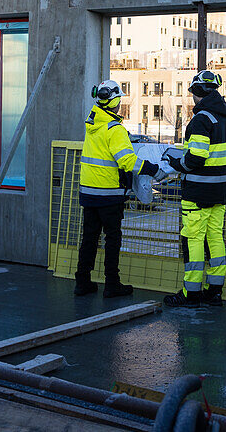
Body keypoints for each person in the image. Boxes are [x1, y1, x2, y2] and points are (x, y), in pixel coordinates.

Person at [76, 79, 163, 297]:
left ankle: (82, 282)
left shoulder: (93, 124)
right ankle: (112, 284)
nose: (119, 104)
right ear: (114, 102)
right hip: (109, 194)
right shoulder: (115, 129)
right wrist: (154, 170)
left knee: (89, 237)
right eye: (118, 100)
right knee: (112, 238)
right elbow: (127, 162)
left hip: (89, 191)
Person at [164, 70, 226, 307]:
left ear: (196, 92)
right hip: (219, 193)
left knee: (193, 241)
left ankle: (191, 294)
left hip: (197, 193)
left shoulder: (201, 120)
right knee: (215, 238)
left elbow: (196, 156)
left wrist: (176, 163)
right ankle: (214, 291)